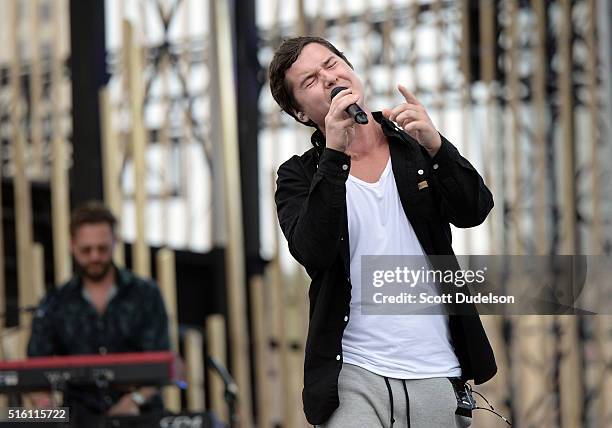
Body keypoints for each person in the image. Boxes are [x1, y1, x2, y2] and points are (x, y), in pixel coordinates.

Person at [269, 36, 497, 427]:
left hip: (435, 365)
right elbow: (313, 251)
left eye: (332, 64)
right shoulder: (300, 175)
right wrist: (335, 155)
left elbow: (474, 209)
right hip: (353, 368)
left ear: (350, 68)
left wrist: (438, 148)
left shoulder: (413, 146)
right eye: (309, 81)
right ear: (300, 113)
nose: (328, 78)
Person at [27, 201, 170, 426]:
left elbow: (163, 362)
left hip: (141, 417)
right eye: (86, 250)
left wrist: (135, 400)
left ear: (115, 242)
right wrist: (46, 408)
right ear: (72, 246)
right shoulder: (56, 301)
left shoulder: (145, 294)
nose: (95, 257)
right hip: (78, 417)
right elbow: (33, 367)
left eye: (102, 249)